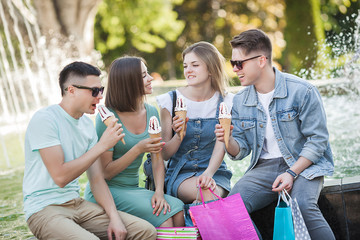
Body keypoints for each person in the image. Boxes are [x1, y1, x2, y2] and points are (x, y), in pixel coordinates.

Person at [215, 29, 335, 239]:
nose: (235, 69)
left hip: (305, 164)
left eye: (239, 63)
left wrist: (292, 173)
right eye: (233, 63)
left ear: (261, 60)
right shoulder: (240, 100)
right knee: (231, 210)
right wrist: (227, 138)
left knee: (302, 205)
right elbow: (240, 149)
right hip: (264, 168)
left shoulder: (302, 91)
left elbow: (318, 141)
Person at [23, 61, 157, 240]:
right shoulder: (45, 120)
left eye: (101, 90)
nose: (100, 97)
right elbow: (60, 177)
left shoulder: (86, 124)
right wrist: (102, 145)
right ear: (71, 90)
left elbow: (96, 179)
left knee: (145, 231)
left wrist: (114, 218)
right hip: (44, 208)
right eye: (94, 91)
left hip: (77, 204)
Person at [84, 56, 185, 228]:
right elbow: (105, 172)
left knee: (178, 209)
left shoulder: (152, 112)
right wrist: (137, 149)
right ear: (129, 82)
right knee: (165, 220)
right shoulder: (107, 117)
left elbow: (157, 159)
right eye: (144, 75)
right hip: (108, 190)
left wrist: (159, 192)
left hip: (133, 189)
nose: (151, 78)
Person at [157, 42, 233, 204]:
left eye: (195, 65)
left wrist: (209, 174)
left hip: (215, 172)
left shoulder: (226, 101)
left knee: (210, 194)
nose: (188, 70)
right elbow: (164, 154)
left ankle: (194, 225)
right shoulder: (170, 101)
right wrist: (178, 136)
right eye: (185, 66)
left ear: (211, 69)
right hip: (181, 173)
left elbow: (222, 144)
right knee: (207, 195)